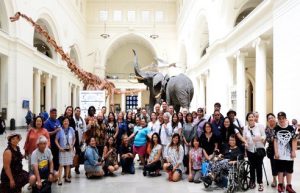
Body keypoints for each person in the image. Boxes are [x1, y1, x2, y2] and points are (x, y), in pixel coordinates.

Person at [274, 112, 297, 193]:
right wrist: (276, 152)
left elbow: (294, 140)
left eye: (283, 118)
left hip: (289, 153)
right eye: (279, 118)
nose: (281, 120)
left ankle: (289, 186)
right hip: (279, 153)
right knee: (280, 170)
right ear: (278, 119)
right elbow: (275, 141)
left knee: (289, 170)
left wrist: (293, 151)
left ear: (285, 118)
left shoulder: (291, 128)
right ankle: (280, 185)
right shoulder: (276, 128)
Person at [243, 112, 266, 191]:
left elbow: (264, 136)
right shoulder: (245, 128)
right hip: (250, 150)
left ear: (254, 118)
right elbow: (244, 138)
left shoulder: (260, 126)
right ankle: (252, 181)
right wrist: (245, 144)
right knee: (252, 166)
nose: (251, 118)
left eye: (252, 117)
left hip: (259, 149)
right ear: (247, 119)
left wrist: (260, 138)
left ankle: (260, 183)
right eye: (249, 117)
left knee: (259, 166)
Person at [55, 116, 76, 185]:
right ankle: (60, 179)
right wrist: (59, 147)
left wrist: (72, 145)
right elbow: (56, 140)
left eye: (67, 121)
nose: (66, 122)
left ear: (69, 122)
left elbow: (74, 138)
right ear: (62, 122)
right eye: (64, 121)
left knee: (68, 164)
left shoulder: (71, 129)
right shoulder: (60, 130)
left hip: (69, 150)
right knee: (61, 165)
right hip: (62, 150)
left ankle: (66, 177)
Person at [265, 113, 278, 188]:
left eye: (272, 117)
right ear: (268, 120)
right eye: (269, 118)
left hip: (280, 148)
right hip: (271, 149)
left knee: (281, 165)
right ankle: (274, 179)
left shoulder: (279, 126)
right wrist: (271, 139)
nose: (271, 119)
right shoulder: (267, 128)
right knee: (273, 164)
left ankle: (281, 181)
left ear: (275, 118)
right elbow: (268, 139)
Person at [73, 107, 87, 174]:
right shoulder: (72, 119)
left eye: (79, 111)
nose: (78, 112)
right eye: (77, 111)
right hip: (72, 140)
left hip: (80, 140)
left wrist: (82, 139)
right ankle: (72, 166)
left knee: (78, 154)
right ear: (74, 111)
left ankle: (77, 167)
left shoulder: (82, 120)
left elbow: (84, 131)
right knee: (73, 154)